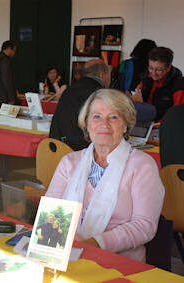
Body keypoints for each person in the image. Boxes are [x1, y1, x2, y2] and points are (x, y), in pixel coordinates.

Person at [46, 89, 164, 262]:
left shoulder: (142, 166)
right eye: (97, 116)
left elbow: (144, 226)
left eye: (114, 117)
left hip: (119, 263)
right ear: (86, 123)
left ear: (126, 125)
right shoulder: (69, 162)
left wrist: (94, 244)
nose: (104, 124)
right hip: (67, 257)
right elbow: (51, 214)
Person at [49, 59, 111, 150]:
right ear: (102, 75)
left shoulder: (69, 91)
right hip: (83, 154)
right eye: (109, 76)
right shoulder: (101, 94)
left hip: (57, 150)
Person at [131, 47, 184, 121]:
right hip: (144, 122)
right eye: (151, 68)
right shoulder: (145, 77)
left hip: (163, 126)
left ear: (168, 68)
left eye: (158, 70)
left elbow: (178, 114)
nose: (153, 73)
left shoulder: (179, 85)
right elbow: (137, 98)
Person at [0, 40, 19, 114]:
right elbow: (7, 81)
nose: (14, 53)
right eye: (14, 50)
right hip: (5, 97)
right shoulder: (5, 61)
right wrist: (11, 98)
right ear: (9, 49)